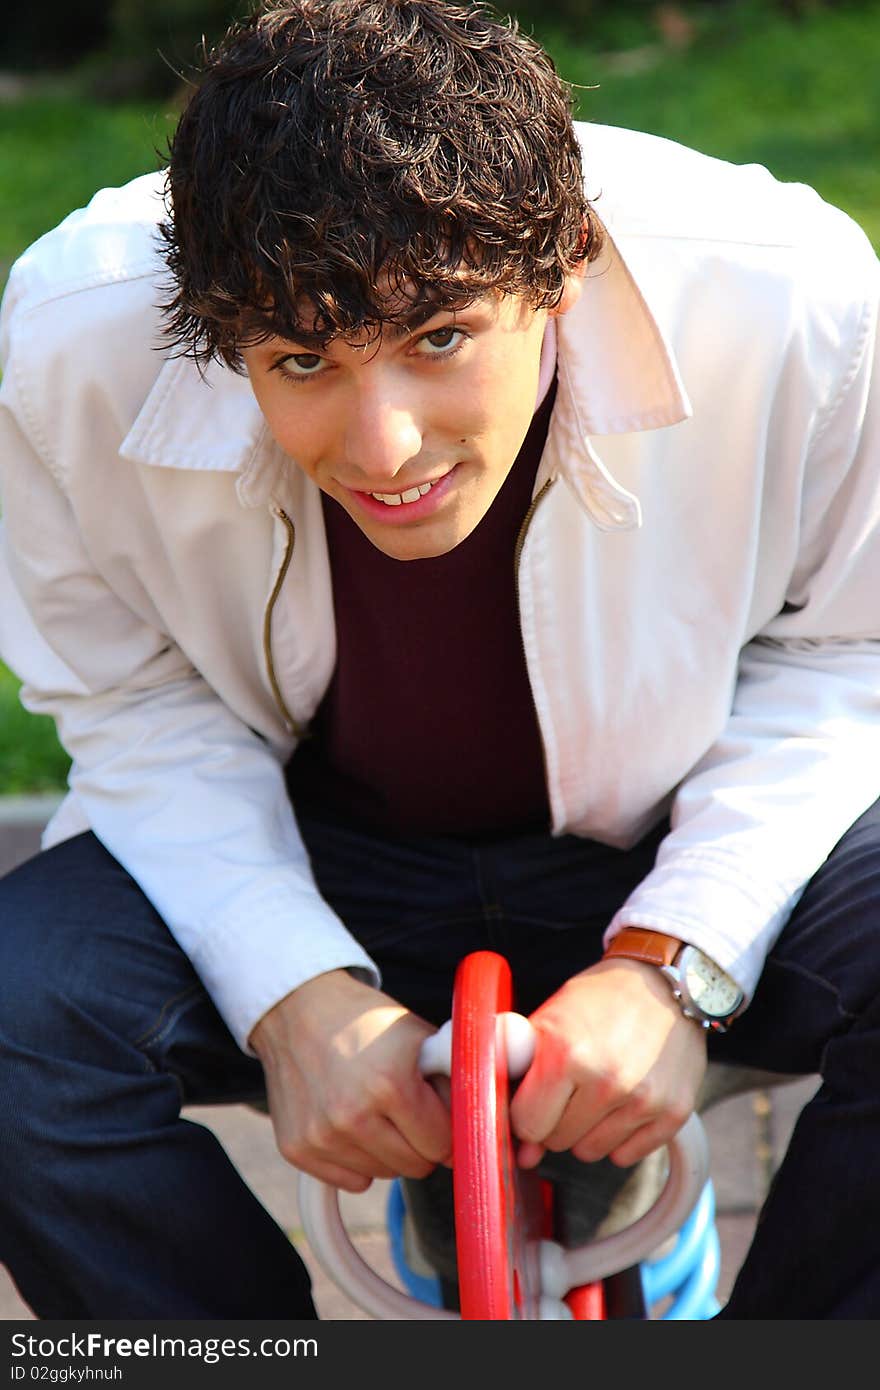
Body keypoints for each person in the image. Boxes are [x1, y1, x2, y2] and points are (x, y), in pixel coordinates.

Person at [1, 0, 879, 1321]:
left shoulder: (798, 300)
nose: (386, 445)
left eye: (440, 340)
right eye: (302, 359)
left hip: (674, 826)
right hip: (318, 853)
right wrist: (291, 988)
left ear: (564, 264)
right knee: (23, 1021)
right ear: (215, 324)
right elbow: (132, 694)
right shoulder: (73, 338)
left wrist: (675, 961)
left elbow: (854, 645)